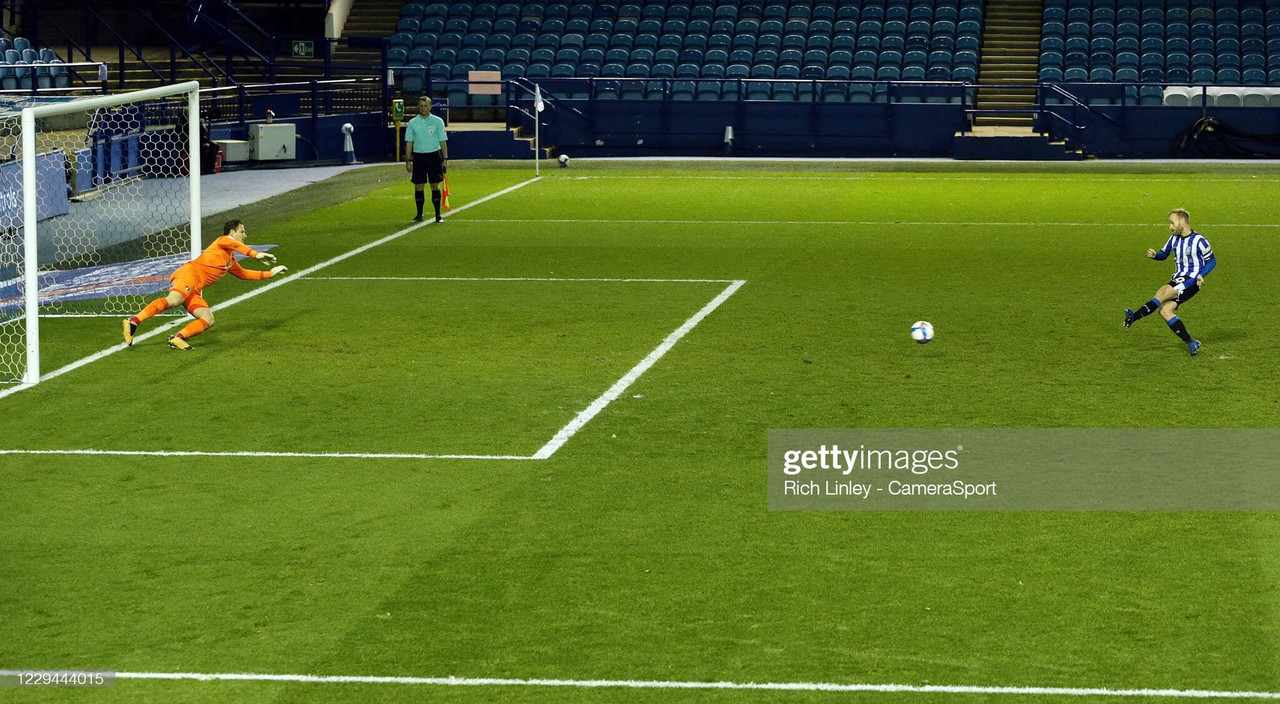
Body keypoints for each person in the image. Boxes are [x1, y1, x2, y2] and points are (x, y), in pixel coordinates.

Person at [122, 219, 287, 351]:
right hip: (188, 274)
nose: (245, 235)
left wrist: (270, 273)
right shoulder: (222, 241)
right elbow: (234, 244)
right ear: (232, 232)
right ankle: (133, 321)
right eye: (242, 231)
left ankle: (177, 338)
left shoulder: (229, 259)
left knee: (208, 319)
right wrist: (255, 254)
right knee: (174, 299)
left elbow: (243, 274)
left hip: (195, 288)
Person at [1124, 208, 1216, 356]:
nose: (1170, 227)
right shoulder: (1174, 238)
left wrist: (1201, 275)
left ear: (1182, 221)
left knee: (1162, 292)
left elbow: (1212, 260)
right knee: (1165, 311)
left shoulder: (1199, 241)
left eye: (1172, 223)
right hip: (1179, 279)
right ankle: (1191, 342)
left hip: (1190, 280)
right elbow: (1164, 254)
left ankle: (1134, 316)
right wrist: (1155, 255)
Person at [404, 96, 449, 223]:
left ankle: (438, 215)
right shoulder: (413, 123)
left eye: (425, 105)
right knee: (419, 185)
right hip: (419, 157)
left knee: (435, 185)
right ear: (418, 107)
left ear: (430, 106)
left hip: (434, 156)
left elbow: (443, 141)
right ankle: (419, 214)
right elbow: (409, 142)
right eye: (421, 106)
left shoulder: (438, 121)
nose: (423, 108)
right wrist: (408, 160)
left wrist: (445, 158)